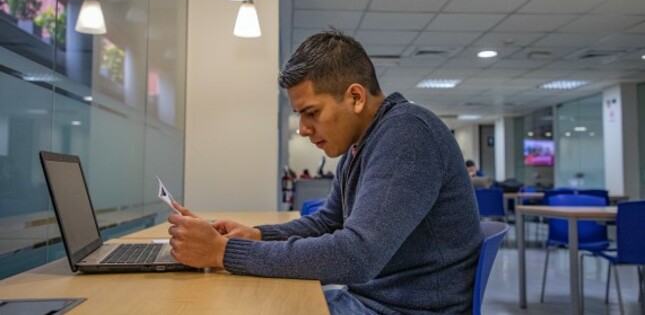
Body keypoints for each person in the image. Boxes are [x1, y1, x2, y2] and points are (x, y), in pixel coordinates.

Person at [168, 30, 483, 314]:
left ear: (355, 97)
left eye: (311, 113)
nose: (303, 129)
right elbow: (328, 222)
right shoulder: (363, 144)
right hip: (373, 300)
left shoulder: (407, 134)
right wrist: (258, 235)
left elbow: (356, 256)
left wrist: (226, 252)